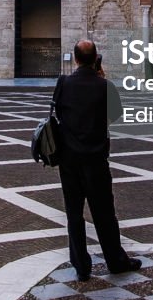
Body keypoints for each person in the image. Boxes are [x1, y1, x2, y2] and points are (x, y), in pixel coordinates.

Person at [53, 39, 141, 281]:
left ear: (76, 59)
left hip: (69, 160)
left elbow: (58, 113)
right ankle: (115, 260)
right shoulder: (105, 86)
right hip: (95, 159)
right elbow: (116, 115)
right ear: (95, 59)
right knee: (104, 213)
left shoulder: (63, 84)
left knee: (73, 213)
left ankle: (82, 266)